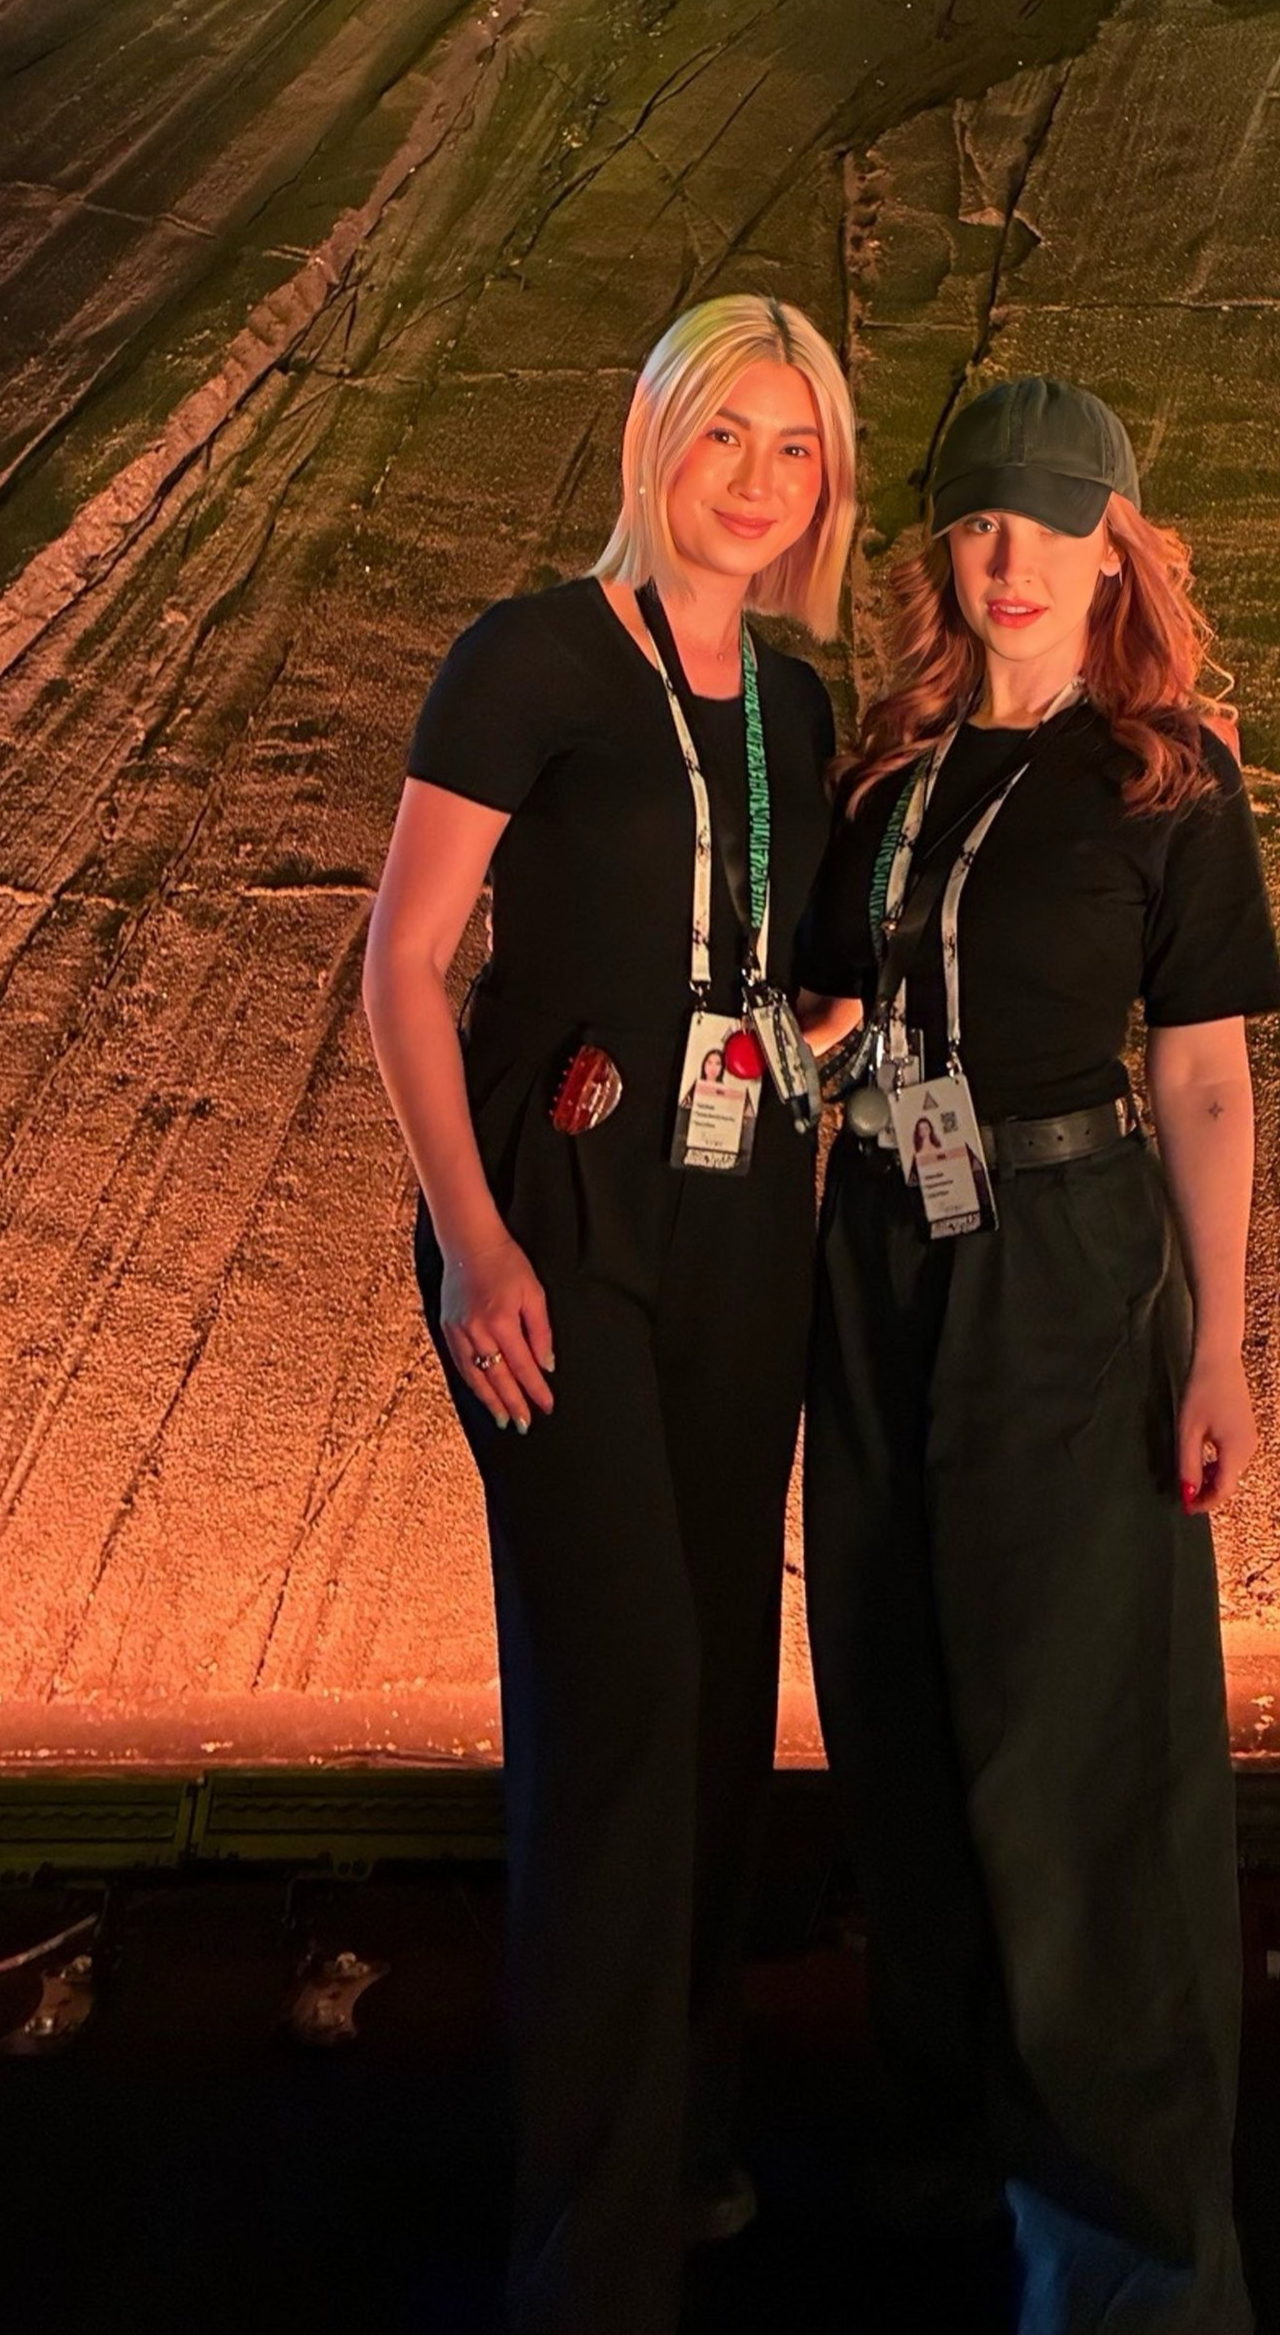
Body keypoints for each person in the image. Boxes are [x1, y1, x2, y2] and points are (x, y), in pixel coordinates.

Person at [361, 293, 857, 2335]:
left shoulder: (802, 704)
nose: (752, 477)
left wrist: (818, 1022)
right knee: (631, 1693)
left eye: (795, 445)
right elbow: (402, 966)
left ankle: (687, 2143)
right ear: (651, 435)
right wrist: (474, 1241)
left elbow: (779, 949)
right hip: (550, 1213)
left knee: (722, 1698)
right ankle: (587, 2256)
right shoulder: (534, 658)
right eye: (721, 431)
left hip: (744, 1216)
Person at [798, 375, 1280, 2333]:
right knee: (904, 1712)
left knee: (1079, 1750)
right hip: (880, 1250)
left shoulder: (1163, 772)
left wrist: (1222, 1340)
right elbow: (835, 1004)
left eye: (1049, 526)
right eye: (979, 524)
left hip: (1071, 1260)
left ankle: (1130, 2261)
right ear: (945, 548)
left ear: (1114, 544)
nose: (1009, 562)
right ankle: (959, 2184)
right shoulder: (892, 768)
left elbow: (1202, 1073)